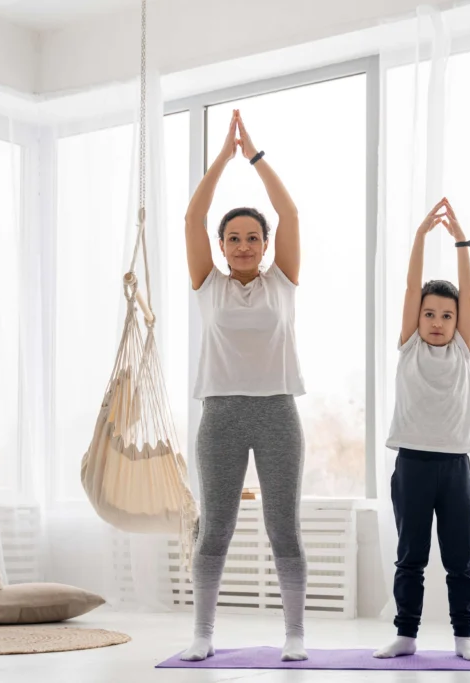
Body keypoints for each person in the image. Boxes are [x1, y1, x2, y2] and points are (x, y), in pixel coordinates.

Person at [181, 109, 307, 662]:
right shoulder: (209, 286)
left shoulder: (282, 282)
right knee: (215, 529)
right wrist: (221, 160)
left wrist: (253, 156)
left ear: (265, 243)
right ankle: (203, 636)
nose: (243, 245)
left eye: (253, 237)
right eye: (233, 238)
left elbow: (290, 211)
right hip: (221, 413)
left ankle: (295, 636)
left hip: (278, 411)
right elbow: (192, 217)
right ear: (222, 244)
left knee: (284, 527)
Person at [374, 198, 470, 662]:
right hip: (414, 463)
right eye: (429, 314)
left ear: (457, 323)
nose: (437, 322)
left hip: (456, 465)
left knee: (459, 559)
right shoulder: (409, 346)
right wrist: (420, 237)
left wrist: (460, 240)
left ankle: (464, 636)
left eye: (446, 315)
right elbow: (409, 285)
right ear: (417, 319)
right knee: (411, 557)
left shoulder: (461, 347)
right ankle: (406, 634)